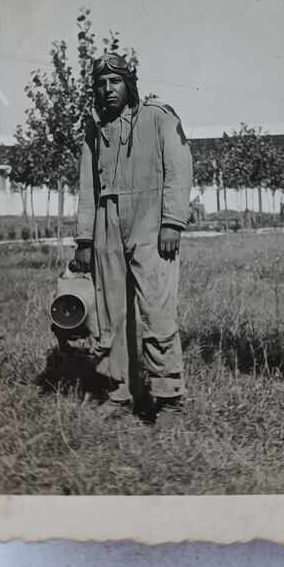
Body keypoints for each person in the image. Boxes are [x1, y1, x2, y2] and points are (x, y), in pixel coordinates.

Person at [74, 53, 192, 418]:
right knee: (110, 313)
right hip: (106, 224)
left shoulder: (158, 118)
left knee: (156, 310)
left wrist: (172, 221)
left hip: (151, 223)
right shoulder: (94, 131)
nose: (108, 90)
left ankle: (168, 396)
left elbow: (179, 169)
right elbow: (87, 187)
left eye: (115, 82)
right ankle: (119, 393)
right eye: (101, 84)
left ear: (129, 84)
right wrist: (84, 240)